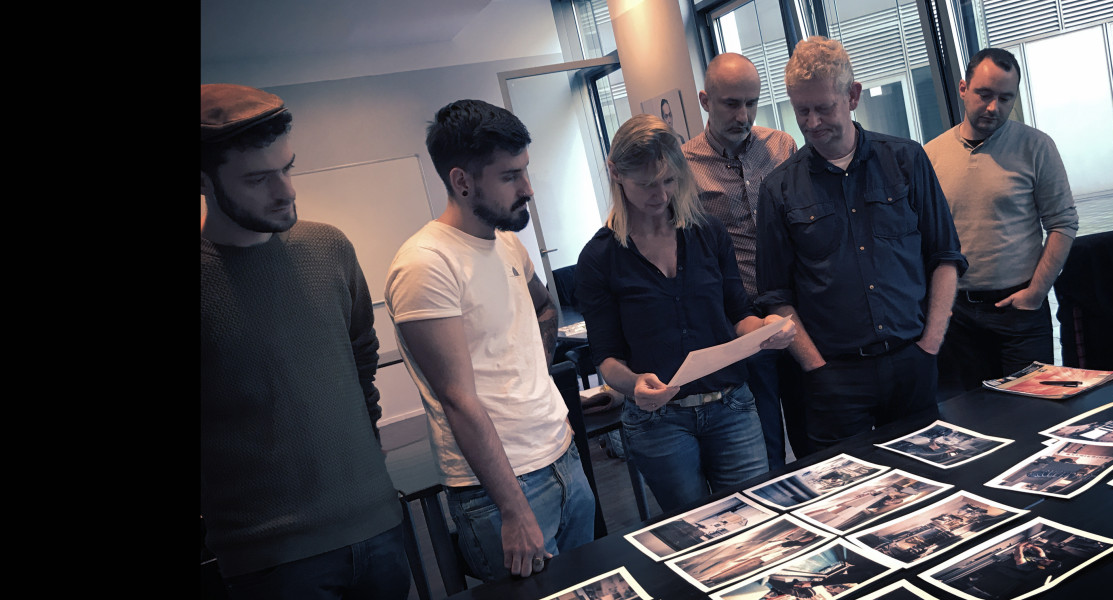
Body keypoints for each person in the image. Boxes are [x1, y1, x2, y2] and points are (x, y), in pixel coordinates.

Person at [200, 83, 409, 599]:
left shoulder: (329, 247)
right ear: (204, 181)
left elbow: (362, 358)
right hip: (272, 559)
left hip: (378, 527)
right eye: (258, 179)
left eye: (288, 168)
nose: (286, 191)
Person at [383, 99, 595, 582]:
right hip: (502, 490)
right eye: (510, 176)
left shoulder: (508, 243)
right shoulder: (426, 265)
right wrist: (515, 511)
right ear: (462, 182)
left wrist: (534, 371)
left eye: (526, 170)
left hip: (561, 455)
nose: (528, 188)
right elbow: (458, 401)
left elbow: (545, 307)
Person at [574, 114, 795, 513]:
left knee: (757, 520)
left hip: (732, 406)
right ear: (615, 174)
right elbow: (606, 358)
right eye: (645, 185)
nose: (660, 195)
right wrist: (634, 384)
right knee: (695, 534)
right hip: (661, 423)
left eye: (669, 181)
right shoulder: (599, 258)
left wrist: (766, 329)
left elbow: (738, 313)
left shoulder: (707, 232)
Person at [755, 36, 967, 451]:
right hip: (834, 378)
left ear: (852, 96)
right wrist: (816, 369)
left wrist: (930, 346)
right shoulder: (779, 189)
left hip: (912, 361)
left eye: (823, 108)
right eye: (802, 111)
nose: (812, 122)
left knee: (930, 485)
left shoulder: (907, 160)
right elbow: (775, 297)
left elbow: (944, 257)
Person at [923, 48, 1078, 391]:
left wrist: (1037, 292)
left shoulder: (1036, 147)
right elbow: (922, 238)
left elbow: (1063, 222)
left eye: (1006, 98)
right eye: (985, 94)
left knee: (1032, 418)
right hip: (957, 316)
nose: (994, 107)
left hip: (1020, 310)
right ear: (963, 88)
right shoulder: (930, 155)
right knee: (968, 426)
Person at [682, 52, 809, 467]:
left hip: (794, 305)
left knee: (813, 416)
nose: (744, 114)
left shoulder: (782, 145)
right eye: (731, 103)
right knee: (764, 431)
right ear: (705, 100)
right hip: (740, 315)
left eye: (751, 102)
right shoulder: (684, 166)